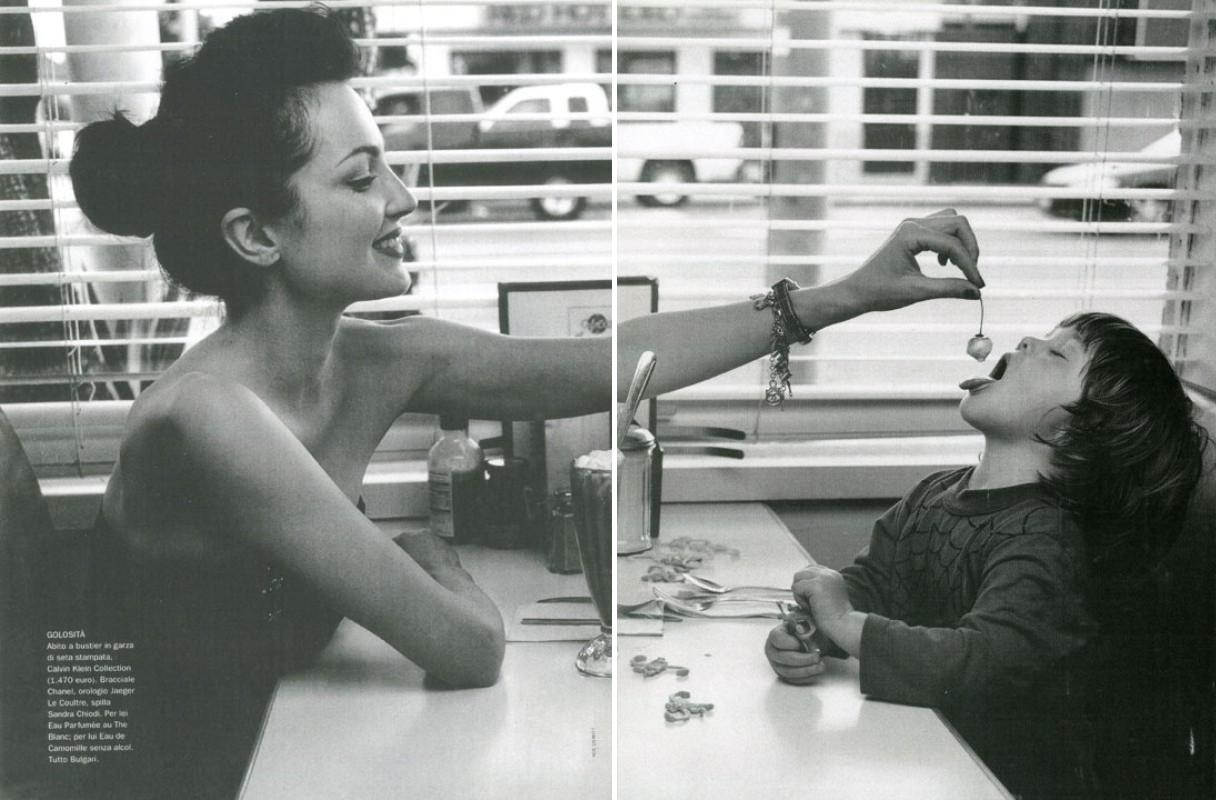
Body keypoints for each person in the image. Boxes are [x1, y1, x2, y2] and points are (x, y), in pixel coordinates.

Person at [8, 7, 985, 799]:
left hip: (290, 741)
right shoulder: (207, 414)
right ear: (257, 235)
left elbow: (612, 362)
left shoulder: (376, 358)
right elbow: (469, 648)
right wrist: (429, 556)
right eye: (363, 177)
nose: (404, 197)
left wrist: (844, 295)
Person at [765, 311, 1210, 799]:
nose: (1027, 340)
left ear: (1080, 430)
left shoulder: (1047, 540)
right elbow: (875, 585)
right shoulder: (934, 492)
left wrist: (844, 621)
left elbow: (979, 665)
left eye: (1057, 353)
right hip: (932, 763)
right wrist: (813, 633)